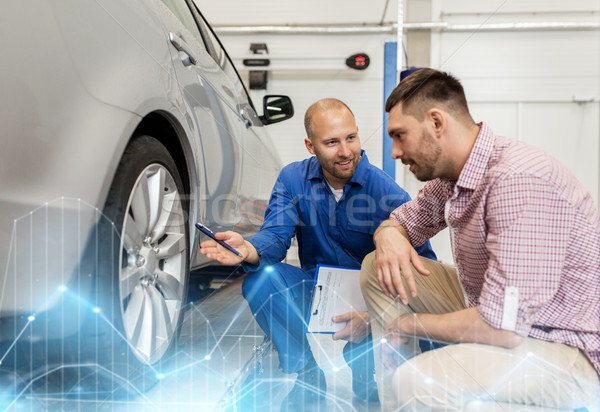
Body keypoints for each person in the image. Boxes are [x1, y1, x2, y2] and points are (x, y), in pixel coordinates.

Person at [360, 68, 600, 410]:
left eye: (400, 135)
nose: (395, 151)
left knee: (420, 381)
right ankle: (397, 402)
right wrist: (389, 237)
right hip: (501, 314)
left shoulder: (516, 181)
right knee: (377, 267)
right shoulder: (455, 176)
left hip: (565, 350)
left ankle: (416, 390)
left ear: (436, 123)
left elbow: (503, 328)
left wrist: (410, 325)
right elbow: (401, 222)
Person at [199, 98, 436, 408]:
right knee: (262, 279)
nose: (345, 151)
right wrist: (250, 249)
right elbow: (276, 235)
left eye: (351, 138)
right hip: (317, 292)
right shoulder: (293, 179)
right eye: (332, 142)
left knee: (369, 393)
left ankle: (365, 371)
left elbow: (424, 264)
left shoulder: (386, 192)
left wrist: (373, 316)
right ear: (311, 145)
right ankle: (306, 369)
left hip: (370, 303)